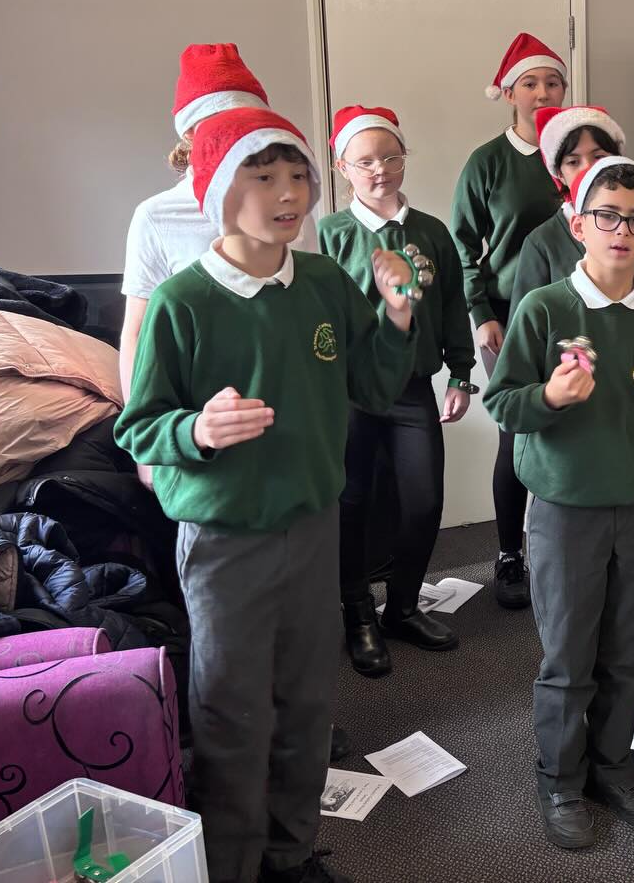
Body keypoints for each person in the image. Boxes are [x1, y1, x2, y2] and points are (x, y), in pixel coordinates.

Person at [115, 107, 417, 883]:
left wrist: (396, 315)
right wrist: (197, 428)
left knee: (308, 701)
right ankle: (233, 864)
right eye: (263, 176)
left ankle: (291, 852)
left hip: (312, 526)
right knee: (232, 710)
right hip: (226, 540)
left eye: (298, 176)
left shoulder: (322, 282)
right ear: (217, 189)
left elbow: (373, 386)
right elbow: (139, 427)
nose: (288, 195)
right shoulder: (184, 301)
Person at [484, 156, 634, 850]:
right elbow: (502, 402)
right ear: (578, 226)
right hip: (564, 511)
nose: (621, 230)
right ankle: (560, 780)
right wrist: (548, 396)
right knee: (569, 658)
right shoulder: (546, 308)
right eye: (607, 216)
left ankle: (612, 767)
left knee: (626, 655)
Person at [318, 105, 476, 677]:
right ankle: (357, 612)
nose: (379, 169)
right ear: (343, 168)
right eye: (365, 161)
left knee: (424, 500)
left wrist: (460, 373)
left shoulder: (430, 231)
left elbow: (453, 303)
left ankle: (403, 607)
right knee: (352, 502)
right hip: (350, 393)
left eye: (390, 157)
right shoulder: (329, 234)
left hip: (412, 389)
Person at [120, 45, 318, 487]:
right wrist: (146, 450)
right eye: (225, 124)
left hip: (287, 413)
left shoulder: (290, 210)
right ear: (191, 134)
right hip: (200, 420)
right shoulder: (156, 216)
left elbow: (311, 308)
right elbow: (137, 331)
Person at [452, 32, 568, 609]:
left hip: (571, 313)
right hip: (507, 317)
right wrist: (480, 314)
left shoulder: (573, 156)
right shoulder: (488, 162)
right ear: (508, 94)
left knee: (569, 427)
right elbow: (463, 245)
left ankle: (563, 547)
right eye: (531, 83)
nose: (543, 92)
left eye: (553, 82)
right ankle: (508, 554)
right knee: (516, 434)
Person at [511, 105, 634, 309]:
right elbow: (527, 320)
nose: (587, 168)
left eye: (599, 157)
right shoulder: (541, 243)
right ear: (559, 174)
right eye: (573, 162)